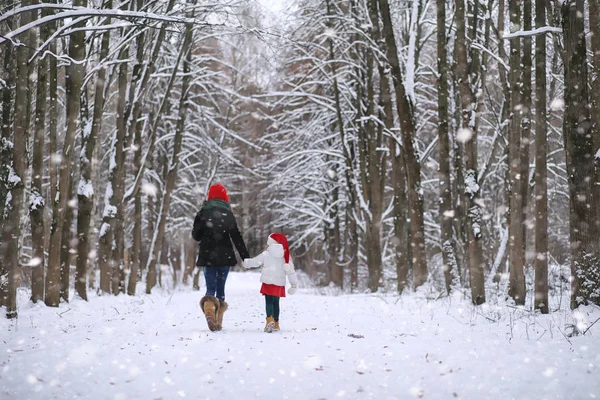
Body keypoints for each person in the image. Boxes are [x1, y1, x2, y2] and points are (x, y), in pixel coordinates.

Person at [192, 183, 250, 331]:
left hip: (208, 256)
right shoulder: (227, 213)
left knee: (210, 288)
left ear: (209, 196)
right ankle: (218, 321)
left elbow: (196, 236)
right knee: (221, 289)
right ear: (225, 196)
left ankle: (209, 311)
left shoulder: (202, 213)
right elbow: (236, 237)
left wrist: (200, 224)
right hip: (225, 256)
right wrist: (245, 257)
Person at [243, 233, 298, 333]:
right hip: (279, 283)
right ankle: (276, 323)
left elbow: (256, 262)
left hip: (268, 282)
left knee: (268, 301)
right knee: (276, 302)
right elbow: (291, 271)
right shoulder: (285, 255)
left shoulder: (266, 253)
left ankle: (269, 320)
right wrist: (293, 284)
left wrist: (247, 263)